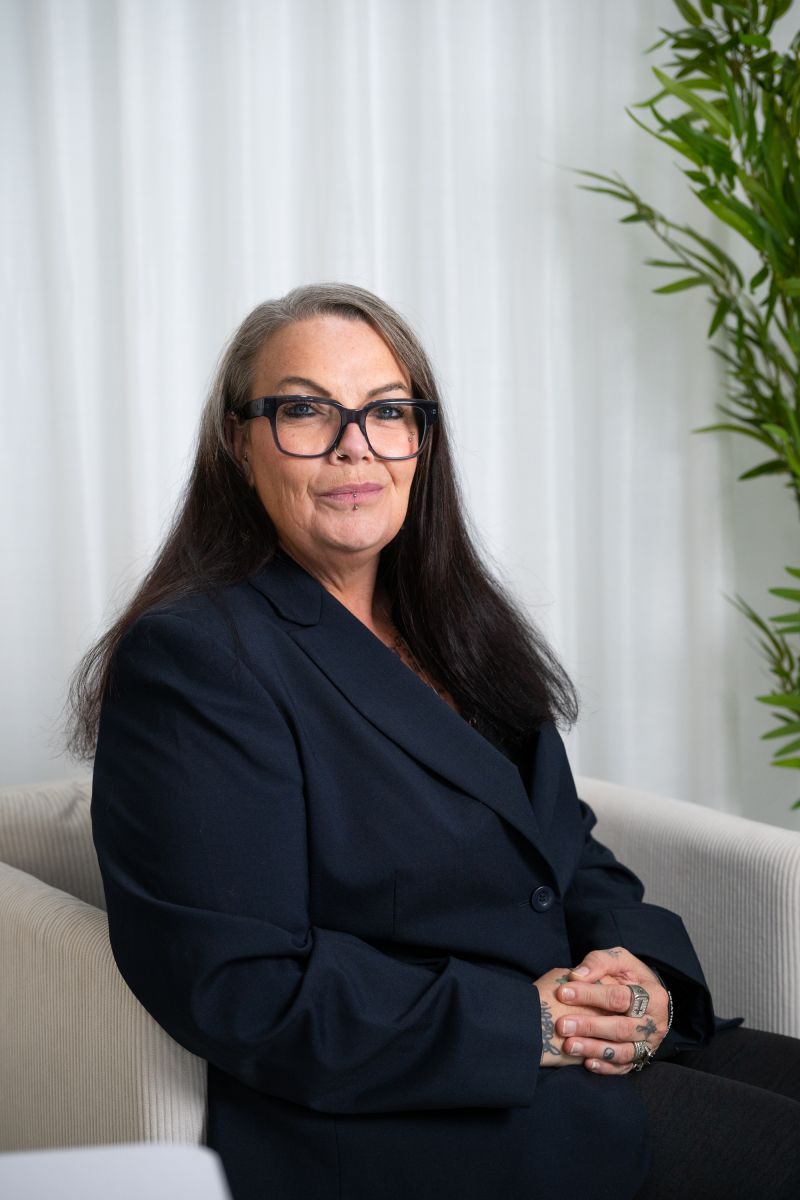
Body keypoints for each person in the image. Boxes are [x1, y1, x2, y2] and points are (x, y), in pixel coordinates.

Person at [69, 283, 800, 1200]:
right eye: (305, 411)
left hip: (567, 1056)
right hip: (405, 1113)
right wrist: (529, 1024)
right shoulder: (198, 657)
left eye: (387, 411)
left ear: (421, 439)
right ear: (237, 443)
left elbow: (562, 849)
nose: (355, 446)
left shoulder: (456, 623)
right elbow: (244, 987)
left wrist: (638, 974)